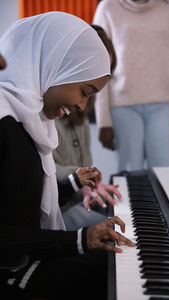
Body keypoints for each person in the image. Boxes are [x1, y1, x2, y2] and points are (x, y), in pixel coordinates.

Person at [0, 12, 134, 300]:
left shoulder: (31, 124)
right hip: (10, 274)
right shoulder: (5, 125)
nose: (82, 106)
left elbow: (21, 205)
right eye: (84, 92)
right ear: (56, 68)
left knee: (117, 263)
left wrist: (71, 182)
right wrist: (78, 240)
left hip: (22, 262)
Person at [93, 0, 169, 172]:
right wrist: (103, 121)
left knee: (168, 173)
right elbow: (100, 66)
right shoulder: (107, 8)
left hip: (162, 106)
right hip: (123, 107)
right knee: (130, 174)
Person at [53, 24, 119, 230]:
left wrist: (91, 188)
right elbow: (44, 173)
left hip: (75, 204)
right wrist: (81, 181)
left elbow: (85, 167)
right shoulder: (47, 109)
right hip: (58, 214)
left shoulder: (82, 112)